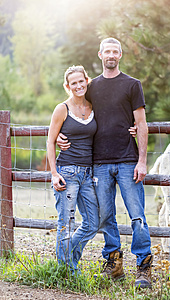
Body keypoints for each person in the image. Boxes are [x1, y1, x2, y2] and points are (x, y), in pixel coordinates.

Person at [57, 37, 152, 288]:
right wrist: (60, 138)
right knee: (106, 216)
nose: (111, 55)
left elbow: (141, 124)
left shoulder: (133, 85)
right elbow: (76, 113)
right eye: (107, 51)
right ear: (100, 55)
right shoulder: (92, 87)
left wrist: (142, 161)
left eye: (115, 51)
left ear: (120, 55)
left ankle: (143, 266)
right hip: (98, 163)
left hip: (127, 161)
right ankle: (114, 263)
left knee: (137, 216)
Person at [47, 65, 99, 274]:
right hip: (67, 172)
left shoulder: (94, 106)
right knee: (66, 223)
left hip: (88, 174)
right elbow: (50, 141)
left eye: (81, 81)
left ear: (87, 81)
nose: (78, 86)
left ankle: (69, 262)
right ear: (67, 86)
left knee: (93, 223)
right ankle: (66, 271)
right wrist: (54, 173)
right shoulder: (62, 109)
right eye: (73, 83)